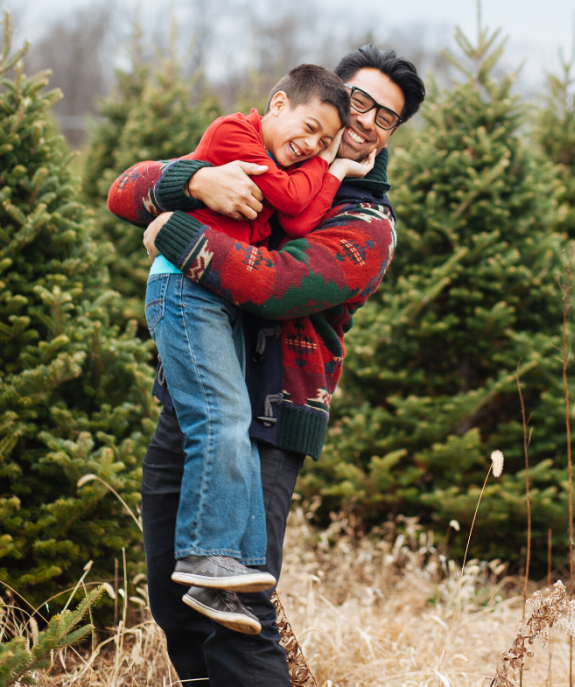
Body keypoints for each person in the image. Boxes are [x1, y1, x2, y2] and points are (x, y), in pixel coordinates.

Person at [108, 44, 425, 686]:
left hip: (269, 422)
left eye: (384, 118)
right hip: (192, 409)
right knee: (176, 601)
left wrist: (174, 228)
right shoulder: (262, 152)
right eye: (356, 101)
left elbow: (277, 284)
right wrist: (194, 182)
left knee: (237, 616)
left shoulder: (367, 221)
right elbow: (125, 187)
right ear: (325, 96)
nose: (365, 121)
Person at [131, 64, 374, 634]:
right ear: (279, 102)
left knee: (228, 422)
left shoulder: (366, 219)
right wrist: (191, 185)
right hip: (186, 287)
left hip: (220, 304)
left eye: (325, 139)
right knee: (222, 416)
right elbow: (291, 200)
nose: (312, 144)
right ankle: (205, 557)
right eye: (310, 128)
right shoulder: (233, 132)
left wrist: (327, 169)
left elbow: (303, 218)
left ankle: (225, 569)